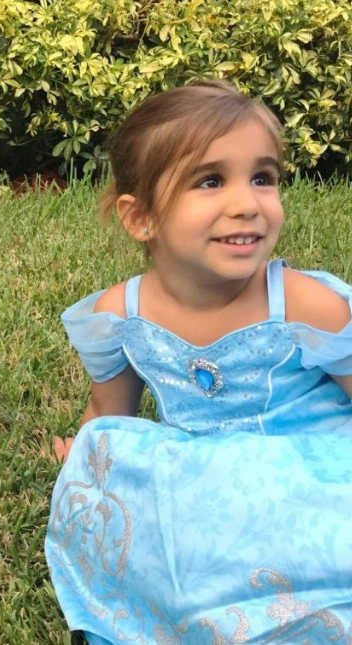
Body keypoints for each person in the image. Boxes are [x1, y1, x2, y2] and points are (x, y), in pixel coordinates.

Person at [45, 80, 352, 644]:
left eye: (263, 178)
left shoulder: (306, 304)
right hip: (202, 483)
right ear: (140, 219)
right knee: (121, 486)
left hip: (309, 476)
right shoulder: (121, 314)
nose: (247, 203)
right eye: (211, 181)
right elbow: (110, 413)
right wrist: (86, 459)